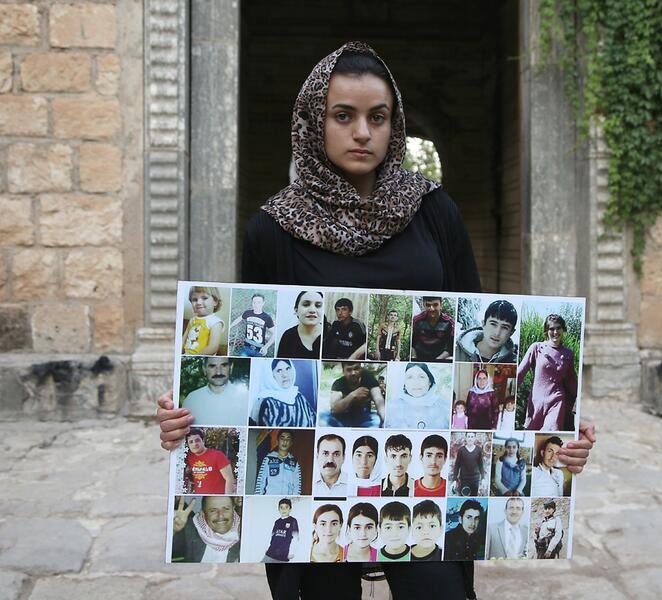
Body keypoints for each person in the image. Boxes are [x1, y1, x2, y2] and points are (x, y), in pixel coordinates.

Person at [158, 42, 596, 600]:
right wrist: (185, 416)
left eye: (378, 117)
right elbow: (254, 360)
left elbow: (485, 353)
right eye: (343, 116)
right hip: (319, 472)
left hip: (424, 470)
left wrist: (553, 438)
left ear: (396, 125)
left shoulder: (434, 212)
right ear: (314, 122)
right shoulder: (272, 229)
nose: (362, 131)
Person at [518, 314, 579, 432]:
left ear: (563, 329)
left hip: (556, 401)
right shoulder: (536, 348)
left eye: (558, 328)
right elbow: (520, 373)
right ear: (546, 331)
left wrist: (579, 399)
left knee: (551, 432)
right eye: (551, 329)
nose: (555, 332)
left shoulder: (568, 354)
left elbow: (572, 380)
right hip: (536, 403)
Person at [182, 357, 248, 426]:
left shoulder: (245, 398)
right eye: (212, 366)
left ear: (231, 367)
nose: (218, 372)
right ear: (204, 369)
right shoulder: (191, 399)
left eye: (224, 365)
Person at [172, 496, 240, 563]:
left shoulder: (246, 532)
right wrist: (173, 530)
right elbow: (168, 552)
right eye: (213, 510)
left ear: (233, 509)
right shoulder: (190, 529)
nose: (220, 515)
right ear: (204, 513)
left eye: (226, 509)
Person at [250, 359, 316, 428]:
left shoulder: (299, 396)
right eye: (279, 371)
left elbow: (313, 421)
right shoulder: (266, 403)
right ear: (270, 375)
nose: (285, 375)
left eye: (287, 369)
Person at [385, 362, 449, 429]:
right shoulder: (391, 407)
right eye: (410, 377)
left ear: (430, 381)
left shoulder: (445, 407)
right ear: (404, 382)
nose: (416, 382)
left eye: (421, 377)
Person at [327, 362, 385, 427]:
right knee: (327, 420)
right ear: (343, 371)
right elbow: (335, 409)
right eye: (349, 370)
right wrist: (353, 395)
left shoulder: (368, 379)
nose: (353, 373)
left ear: (361, 369)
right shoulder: (339, 384)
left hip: (364, 417)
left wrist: (383, 420)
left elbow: (378, 400)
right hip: (343, 416)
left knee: (377, 421)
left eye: (356, 368)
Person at [185, 428, 235, 494]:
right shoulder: (188, 457)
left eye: (197, 440)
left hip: (217, 498)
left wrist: (226, 497)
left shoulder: (217, 455)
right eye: (191, 442)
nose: (194, 444)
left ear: (203, 441)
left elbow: (229, 479)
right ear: (188, 445)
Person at [278, 291, 324, 359]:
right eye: (306, 304)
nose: (312, 310)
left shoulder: (330, 334)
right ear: (296, 311)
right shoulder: (288, 336)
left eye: (318, 306)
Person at [254, 430, 302, 496]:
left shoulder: (294, 463)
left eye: (288, 439)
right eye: (282, 438)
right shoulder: (268, 459)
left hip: (286, 500)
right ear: (277, 441)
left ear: (291, 443)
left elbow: (297, 487)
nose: (285, 441)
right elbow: (260, 483)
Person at [182, 286, 225, 356]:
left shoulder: (216, 322)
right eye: (195, 299)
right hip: (186, 354)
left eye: (204, 298)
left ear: (215, 302)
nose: (198, 302)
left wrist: (195, 357)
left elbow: (213, 347)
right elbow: (183, 339)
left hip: (201, 357)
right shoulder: (192, 320)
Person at [230, 292, 275, 357]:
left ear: (263, 303)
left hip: (259, 350)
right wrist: (230, 326)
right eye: (254, 302)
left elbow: (274, 334)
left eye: (259, 302)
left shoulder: (267, 317)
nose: (256, 305)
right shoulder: (248, 313)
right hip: (246, 347)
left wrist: (266, 347)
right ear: (252, 303)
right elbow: (238, 319)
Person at [411, 296, 455, 362]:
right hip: (420, 357)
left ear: (441, 305)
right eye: (428, 305)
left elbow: (450, 348)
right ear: (424, 305)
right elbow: (412, 344)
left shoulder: (449, 322)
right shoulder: (416, 320)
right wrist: (414, 358)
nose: (432, 309)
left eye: (435, 305)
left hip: (441, 357)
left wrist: (437, 360)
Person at [264, 498, 300, 563]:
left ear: (290, 509)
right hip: (270, 552)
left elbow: (296, 537)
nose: (284, 509)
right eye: (281, 507)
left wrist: (292, 552)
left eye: (286, 507)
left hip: (283, 555)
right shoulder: (277, 522)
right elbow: (272, 536)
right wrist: (267, 547)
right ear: (279, 509)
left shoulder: (293, 521)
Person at [452, 432, 485, 496]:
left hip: (475, 479)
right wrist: (455, 479)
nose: (470, 439)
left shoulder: (479, 450)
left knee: (474, 497)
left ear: (474, 438)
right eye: (469, 437)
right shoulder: (461, 450)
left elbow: (481, 465)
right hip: (464, 480)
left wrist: (483, 478)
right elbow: (457, 465)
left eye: (472, 437)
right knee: (464, 496)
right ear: (466, 438)